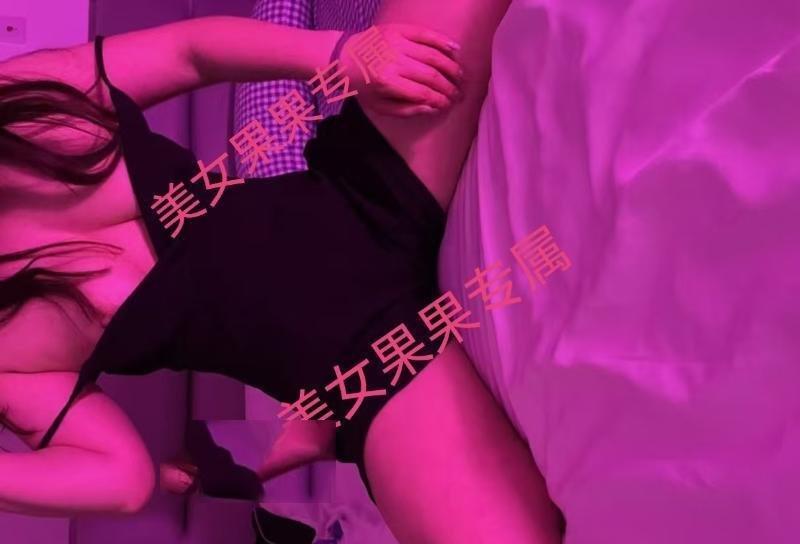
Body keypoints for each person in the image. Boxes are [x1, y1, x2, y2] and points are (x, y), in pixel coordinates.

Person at [0, 7, 562, 544]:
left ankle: (300, 435)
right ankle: (308, 429)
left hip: (363, 184)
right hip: (363, 363)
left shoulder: (16, 100)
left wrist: (341, 55)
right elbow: (124, 479)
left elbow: (188, 54)